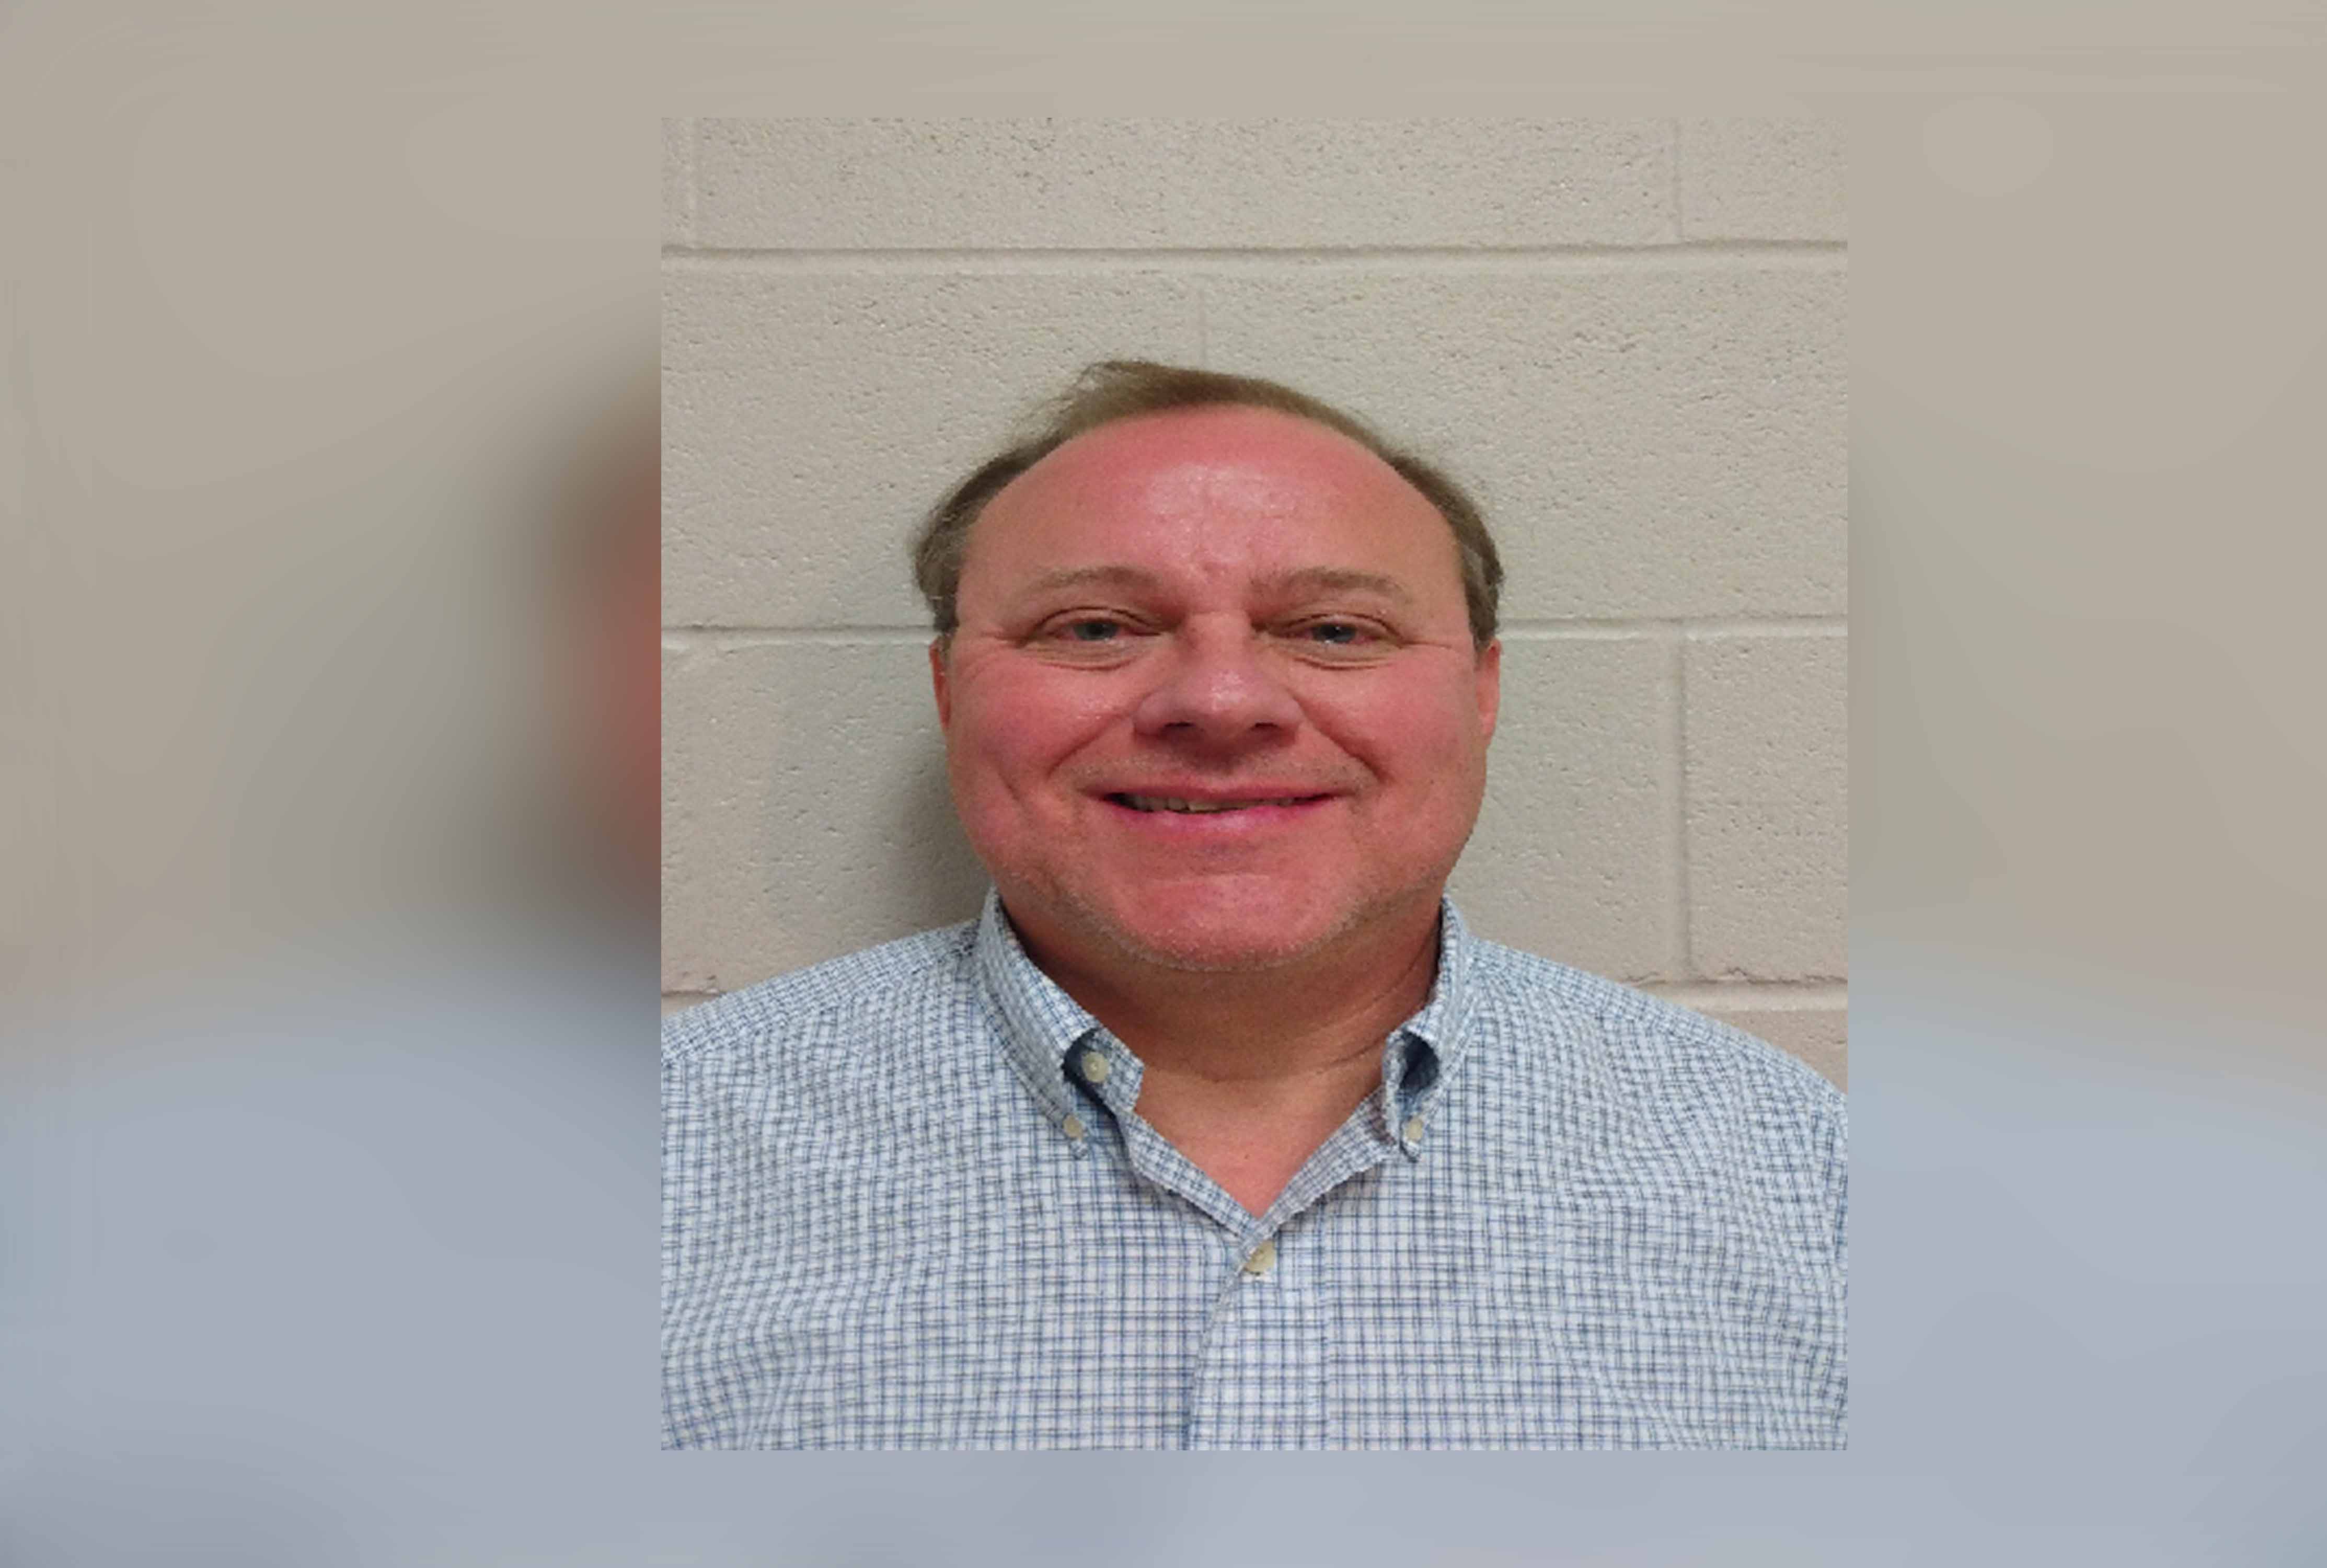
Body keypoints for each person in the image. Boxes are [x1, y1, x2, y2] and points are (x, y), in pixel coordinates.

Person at [662, 361, 1846, 1449]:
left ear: (1481, 694)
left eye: (1334, 630)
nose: (1223, 703)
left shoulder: (1808, 1178)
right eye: (1095, 628)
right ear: (948, 691)